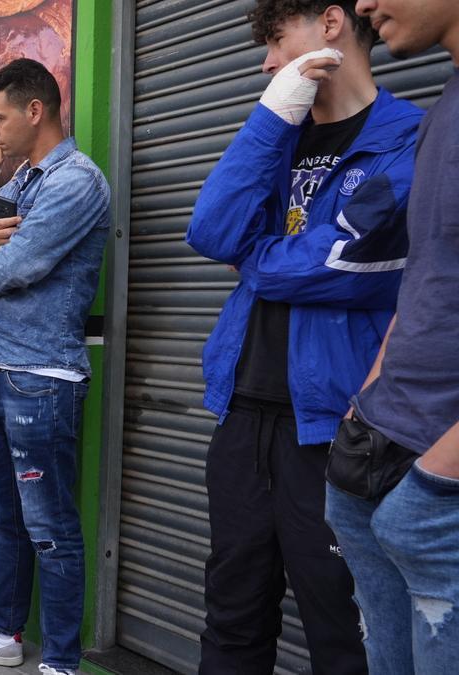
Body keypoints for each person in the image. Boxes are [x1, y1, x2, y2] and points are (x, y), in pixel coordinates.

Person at [184, 2, 422, 672]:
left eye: (274, 41)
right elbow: (210, 231)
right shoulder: (276, 134)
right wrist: (271, 114)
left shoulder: (410, 138)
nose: (265, 63)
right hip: (242, 419)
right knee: (230, 615)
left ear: (330, 23)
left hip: (335, 429)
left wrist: (255, 260)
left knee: (342, 629)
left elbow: (346, 263)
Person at [0, 58, 109, 675]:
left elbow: (16, 266)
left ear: (36, 111)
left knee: (50, 525)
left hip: (40, 378)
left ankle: (61, 660)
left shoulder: (75, 181)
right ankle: (4, 632)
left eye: (0, 117)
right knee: (5, 517)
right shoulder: (22, 182)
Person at [325, 0, 459, 671]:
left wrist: (439, 476)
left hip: (437, 489)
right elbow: (431, 271)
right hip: (378, 451)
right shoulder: (446, 104)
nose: (365, 4)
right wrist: (370, 393)